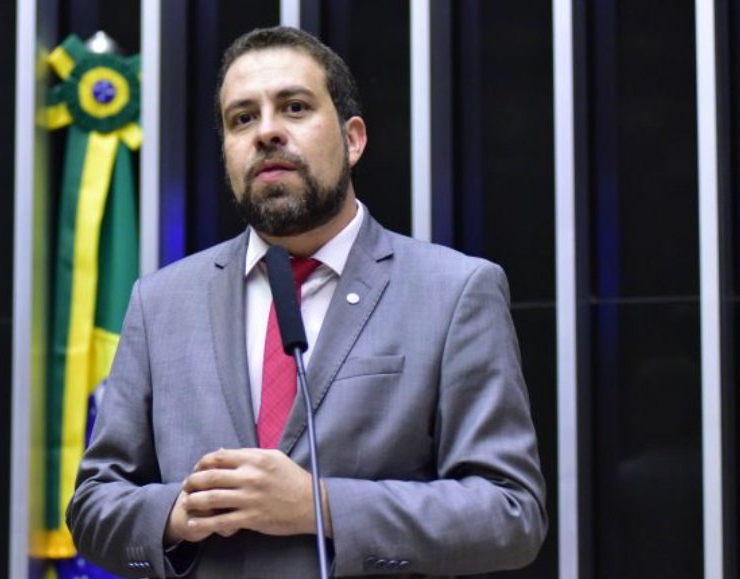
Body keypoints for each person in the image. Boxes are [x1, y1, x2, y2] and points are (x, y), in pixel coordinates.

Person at [67, 25, 547, 579]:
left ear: (353, 139)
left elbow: (511, 515)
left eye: (294, 108)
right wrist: (177, 513)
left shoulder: (455, 291)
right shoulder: (162, 301)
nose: (267, 131)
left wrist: (318, 505)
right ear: (227, 152)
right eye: (242, 118)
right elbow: (94, 505)